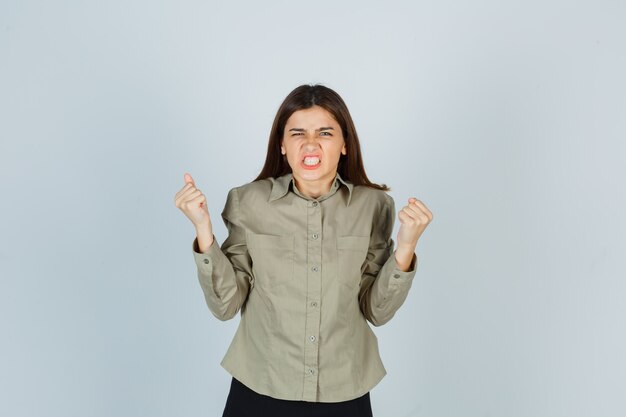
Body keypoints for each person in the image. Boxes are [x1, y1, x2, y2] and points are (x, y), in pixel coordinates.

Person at [174, 84, 433, 417]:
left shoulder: (374, 206)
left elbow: (376, 311)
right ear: (282, 145)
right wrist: (203, 230)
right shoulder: (247, 202)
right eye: (298, 133)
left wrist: (407, 246)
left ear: (344, 145)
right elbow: (226, 306)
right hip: (260, 386)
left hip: (344, 391)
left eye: (325, 132)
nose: (310, 144)